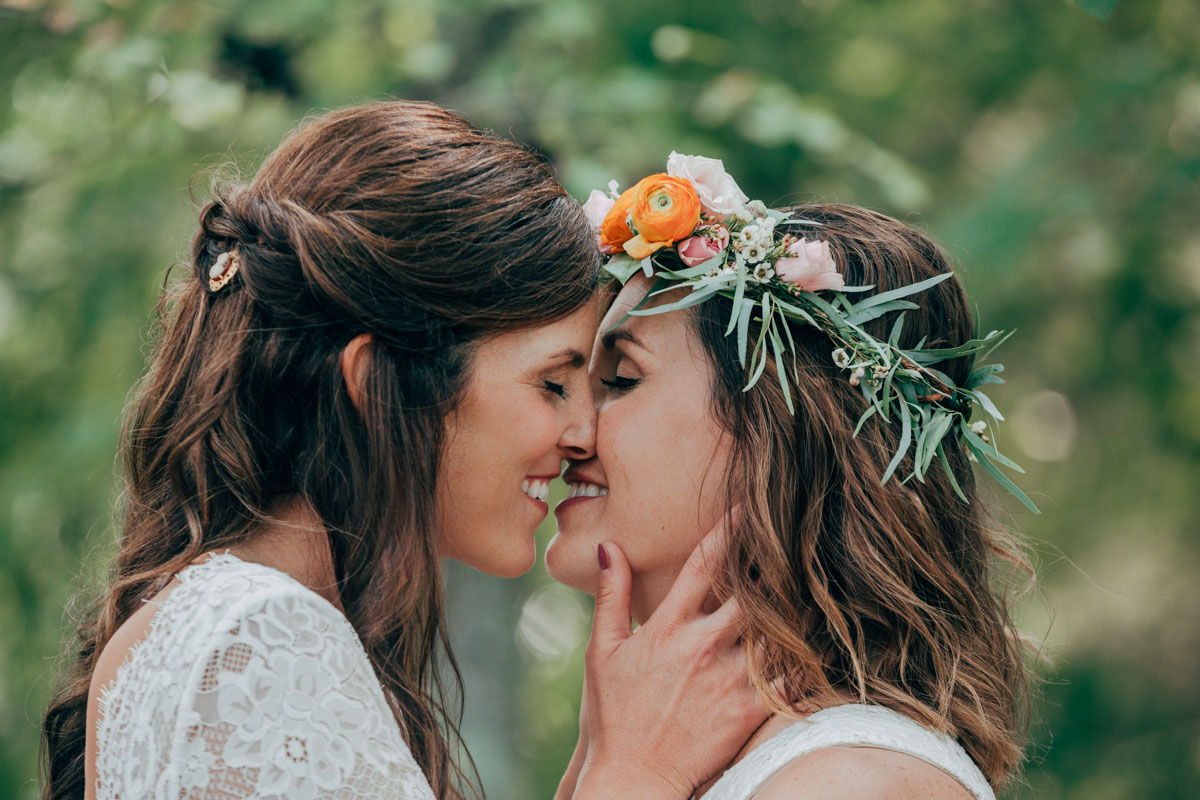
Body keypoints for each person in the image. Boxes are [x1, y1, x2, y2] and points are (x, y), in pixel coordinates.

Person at [40, 105, 767, 800]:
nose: (583, 432)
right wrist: (633, 782)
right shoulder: (256, 636)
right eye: (552, 383)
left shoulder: (213, 619)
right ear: (372, 381)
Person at [550, 158, 1036, 799]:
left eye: (620, 380)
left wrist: (631, 781)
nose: (569, 431)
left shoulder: (856, 783)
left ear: (777, 434)